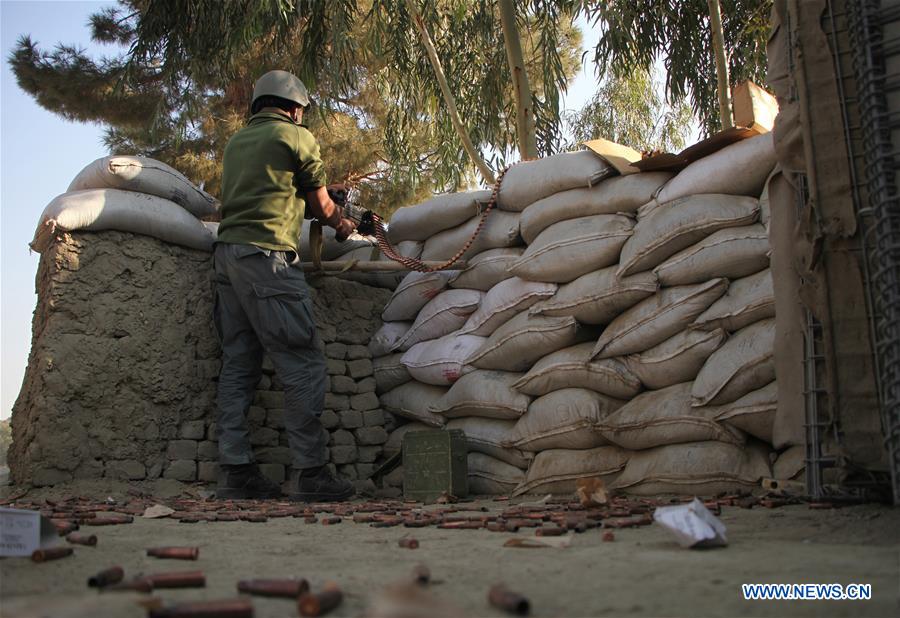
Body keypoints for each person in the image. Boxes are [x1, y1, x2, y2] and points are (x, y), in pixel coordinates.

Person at [213, 69, 357, 502]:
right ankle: (311, 472)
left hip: (227, 257)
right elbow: (318, 204)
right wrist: (342, 222)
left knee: (239, 364)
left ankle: (236, 472)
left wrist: (316, 194)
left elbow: (270, 190)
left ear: (258, 105)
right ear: (295, 108)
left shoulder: (237, 142)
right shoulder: (298, 137)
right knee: (303, 363)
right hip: (268, 258)